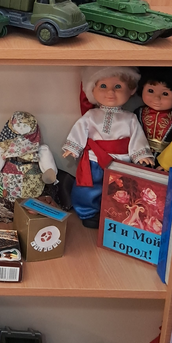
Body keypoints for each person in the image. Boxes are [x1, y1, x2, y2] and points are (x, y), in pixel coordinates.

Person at [63, 67, 153, 228]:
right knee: (89, 188)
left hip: (120, 163)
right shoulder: (91, 115)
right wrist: (73, 147)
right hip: (94, 161)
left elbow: (137, 137)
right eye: (103, 86)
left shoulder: (130, 118)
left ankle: (115, 214)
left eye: (118, 86)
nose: (110, 92)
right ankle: (89, 212)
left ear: (132, 89)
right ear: (92, 90)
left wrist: (141, 155)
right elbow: (79, 130)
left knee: (119, 192)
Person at [135, 68, 172, 170]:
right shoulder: (138, 112)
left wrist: (168, 164)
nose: (156, 98)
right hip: (139, 156)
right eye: (150, 91)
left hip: (165, 162)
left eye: (165, 94)